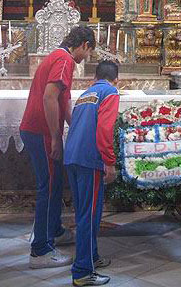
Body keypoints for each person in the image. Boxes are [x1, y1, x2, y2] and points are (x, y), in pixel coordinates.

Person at [20, 26, 95, 269]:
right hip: (41, 131)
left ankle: (54, 230)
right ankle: (40, 250)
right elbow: (49, 97)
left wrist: (76, 127)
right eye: (89, 51)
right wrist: (54, 137)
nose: (88, 57)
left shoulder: (58, 57)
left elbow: (63, 101)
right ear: (83, 44)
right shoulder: (65, 59)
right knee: (48, 187)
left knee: (54, 184)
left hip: (37, 129)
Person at [64, 60, 120, 286]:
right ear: (116, 79)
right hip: (90, 159)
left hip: (72, 157)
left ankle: (92, 256)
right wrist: (110, 162)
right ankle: (82, 272)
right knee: (90, 216)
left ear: (95, 77)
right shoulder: (111, 92)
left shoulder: (85, 94)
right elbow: (105, 129)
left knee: (83, 213)